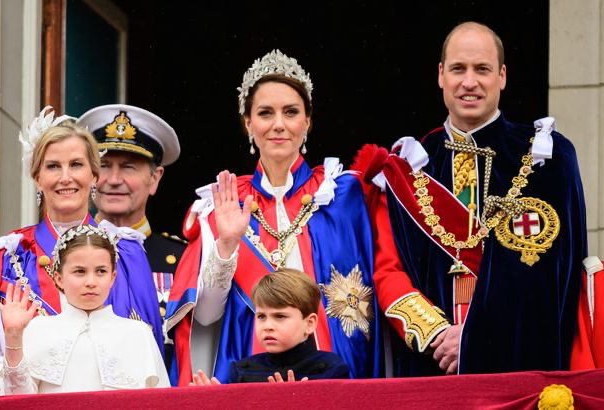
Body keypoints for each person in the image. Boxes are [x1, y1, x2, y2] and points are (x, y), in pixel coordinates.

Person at [356, 22, 586, 376]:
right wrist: (438, 335)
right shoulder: (408, 168)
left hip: (517, 363)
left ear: (502, 76)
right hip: (433, 365)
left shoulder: (548, 158)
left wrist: (477, 337)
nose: (469, 82)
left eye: (482, 69)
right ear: (441, 75)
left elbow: (550, 274)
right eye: (458, 69)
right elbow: (389, 271)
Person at [168, 50, 381, 385]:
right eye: (265, 113)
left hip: (333, 377)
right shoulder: (224, 203)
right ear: (248, 123)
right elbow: (205, 319)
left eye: (291, 112)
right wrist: (226, 245)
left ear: (307, 122)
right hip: (248, 376)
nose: (278, 124)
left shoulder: (343, 197)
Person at [0, 107, 164, 368]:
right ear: (37, 178)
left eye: (76, 164)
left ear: (94, 175)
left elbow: (151, 357)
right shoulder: (8, 257)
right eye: (53, 166)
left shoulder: (127, 254)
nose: (66, 177)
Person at [0, 224, 169, 393]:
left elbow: (159, 402)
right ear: (59, 278)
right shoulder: (38, 329)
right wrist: (14, 336)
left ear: (113, 277)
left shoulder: (138, 333)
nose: (91, 282)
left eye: (101, 271)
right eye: (79, 272)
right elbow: (18, 401)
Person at [77, 105, 185, 373]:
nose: (114, 180)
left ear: (154, 179)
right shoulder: (64, 252)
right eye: (103, 166)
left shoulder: (183, 260)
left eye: (128, 167)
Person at [191, 269, 349, 385]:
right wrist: (219, 403)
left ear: (309, 323)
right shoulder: (241, 370)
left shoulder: (330, 369)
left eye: (280, 316)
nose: (267, 326)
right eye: (261, 316)